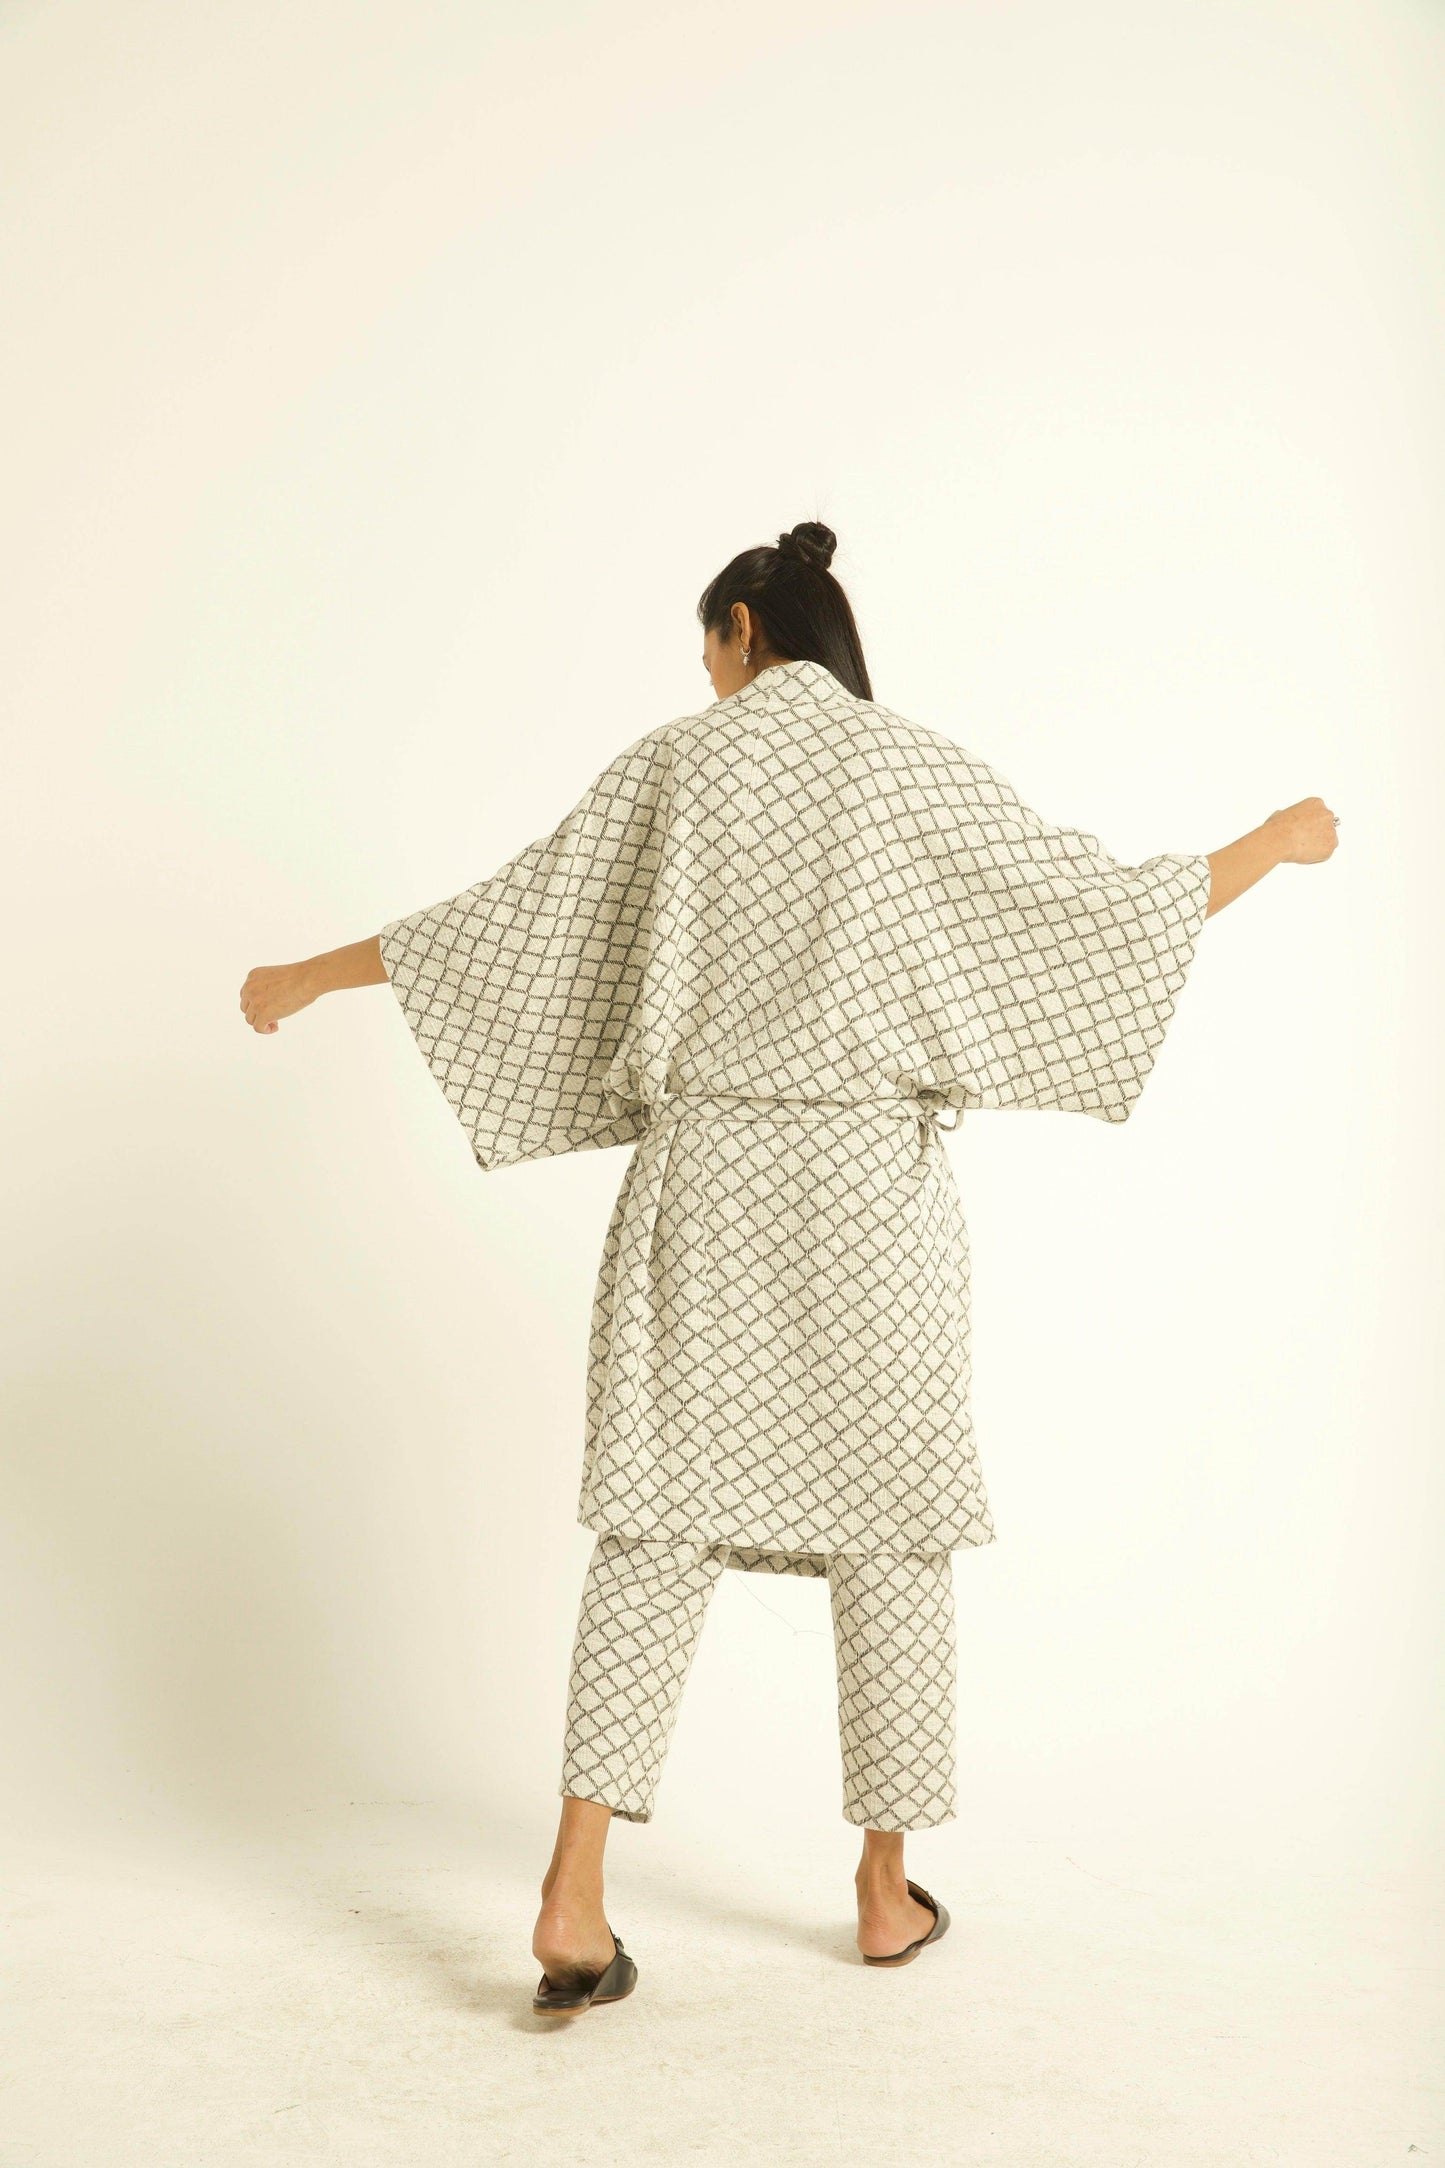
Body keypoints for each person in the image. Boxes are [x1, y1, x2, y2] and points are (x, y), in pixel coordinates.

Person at [240, 521, 1339, 2011]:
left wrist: (311, 974)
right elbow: (1091, 913)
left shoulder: (675, 767)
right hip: (871, 1199)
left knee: (656, 1520)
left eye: (706, 647)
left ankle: (573, 1893)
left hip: (705, 1183)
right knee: (892, 1533)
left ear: (744, 627)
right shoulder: (906, 767)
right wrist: (1265, 845)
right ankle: (884, 1893)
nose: (703, 676)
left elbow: (508, 925)